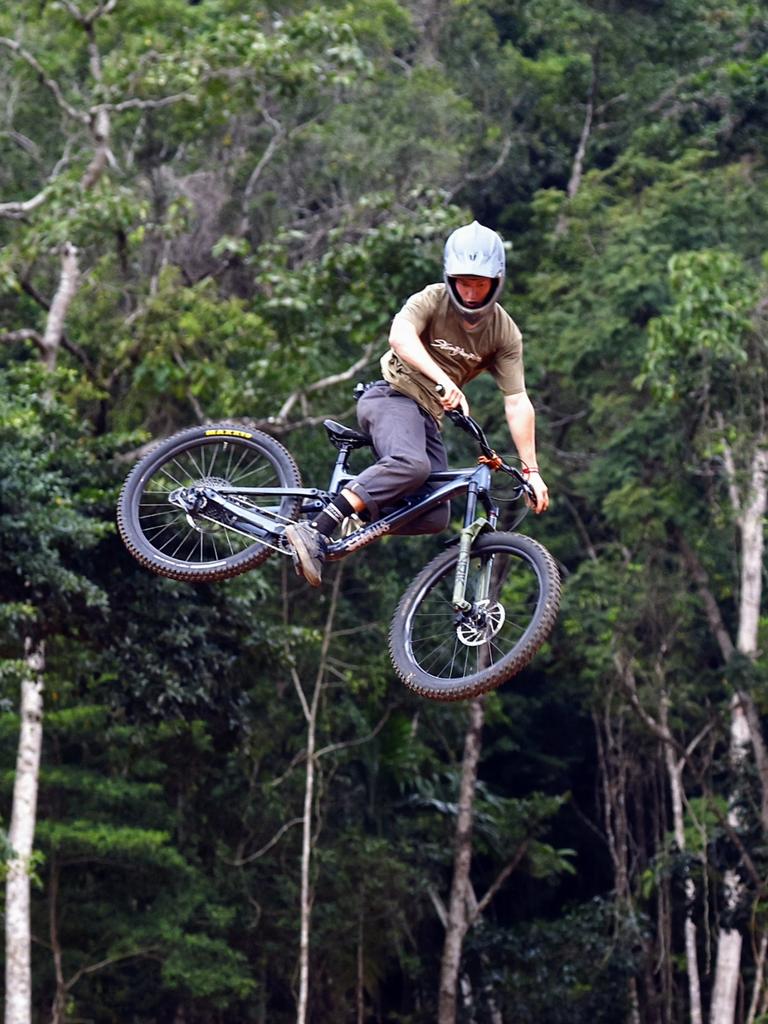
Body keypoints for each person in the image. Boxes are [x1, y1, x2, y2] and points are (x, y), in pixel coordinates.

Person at [285, 220, 549, 587]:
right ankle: (317, 528)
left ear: (496, 281)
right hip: (392, 396)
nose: (471, 293)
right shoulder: (433, 298)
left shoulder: (504, 333)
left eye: (480, 283)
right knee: (412, 464)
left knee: (433, 512)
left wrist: (532, 471)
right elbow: (400, 337)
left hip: (428, 417)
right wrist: (444, 381)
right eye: (464, 282)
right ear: (450, 277)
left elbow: (517, 400)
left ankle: (355, 508)